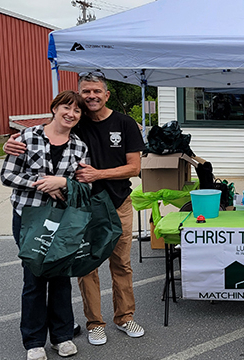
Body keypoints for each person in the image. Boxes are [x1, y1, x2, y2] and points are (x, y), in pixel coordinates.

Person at [4, 71, 146, 346]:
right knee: (85, 266)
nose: (91, 96)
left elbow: (134, 167)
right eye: (86, 92)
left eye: (97, 91)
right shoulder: (75, 121)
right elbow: (51, 132)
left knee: (121, 264)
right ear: (79, 96)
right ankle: (94, 323)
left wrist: (97, 175)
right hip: (79, 208)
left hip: (118, 204)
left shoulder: (124, 123)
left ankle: (125, 317)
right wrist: (15, 142)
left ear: (106, 94)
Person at [1, 91, 89, 360]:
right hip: (28, 218)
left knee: (61, 276)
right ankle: (34, 340)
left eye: (76, 111)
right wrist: (42, 183)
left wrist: (63, 184)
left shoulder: (79, 146)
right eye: (66, 107)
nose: (71, 114)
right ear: (54, 108)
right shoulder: (27, 138)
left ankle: (62, 336)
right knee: (35, 277)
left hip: (60, 221)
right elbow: (7, 174)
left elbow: (85, 184)